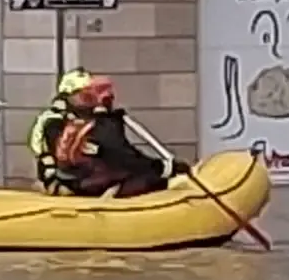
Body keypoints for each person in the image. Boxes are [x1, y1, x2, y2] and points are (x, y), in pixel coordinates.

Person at [51, 77, 188, 198]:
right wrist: (166, 167)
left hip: (77, 182)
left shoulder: (76, 124)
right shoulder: (105, 126)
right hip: (97, 185)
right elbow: (126, 158)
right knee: (152, 179)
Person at [28, 69, 95, 194]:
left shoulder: (89, 116)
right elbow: (49, 154)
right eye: (84, 94)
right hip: (61, 178)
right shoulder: (53, 121)